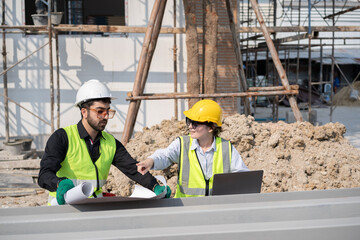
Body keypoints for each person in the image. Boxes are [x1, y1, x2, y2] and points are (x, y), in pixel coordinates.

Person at [38, 79, 170, 205]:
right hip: (65, 208)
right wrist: (59, 183)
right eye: (100, 111)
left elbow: (133, 169)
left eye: (108, 111)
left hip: (95, 207)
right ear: (84, 112)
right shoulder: (62, 137)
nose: (105, 116)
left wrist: (155, 186)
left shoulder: (111, 143)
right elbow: (44, 174)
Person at [137, 99, 249, 198]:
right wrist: (150, 161)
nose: (190, 126)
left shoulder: (226, 148)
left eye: (195, 123)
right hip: (186, 208)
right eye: (189, 121)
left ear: (211, 127)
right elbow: (165, 155)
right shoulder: (182, 144)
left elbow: (243, 178)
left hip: (217, 208)